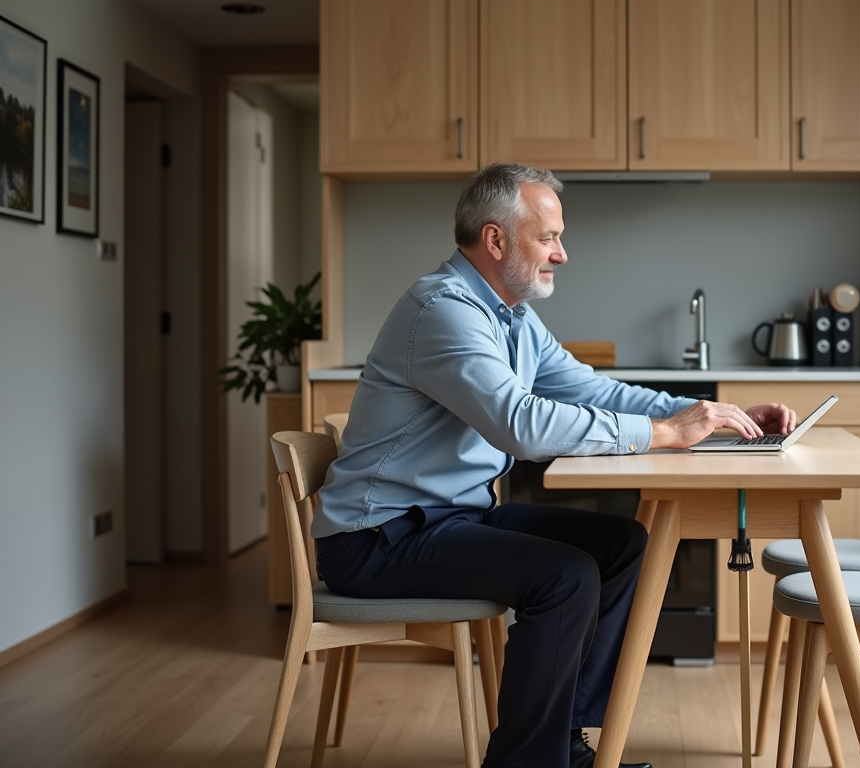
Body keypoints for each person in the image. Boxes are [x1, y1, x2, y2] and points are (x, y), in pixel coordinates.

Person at [313, 163, 797, 768]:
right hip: (377, 537)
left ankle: (562, 742)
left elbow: (588, 390)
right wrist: (663, 434)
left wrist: (706, 413)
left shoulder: (510, 316)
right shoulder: (444, 312)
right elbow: (522, 425)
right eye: (548, 238)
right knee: (564, 578)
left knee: (622, 543)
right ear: (495, 241)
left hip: (448, 518)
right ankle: (527, 762)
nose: (562, 254)